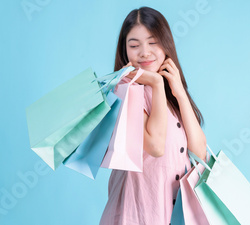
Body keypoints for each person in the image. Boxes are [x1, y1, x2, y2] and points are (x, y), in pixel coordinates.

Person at [99, 6, 208, 225]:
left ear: (166, 45)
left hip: (169, 215)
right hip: (135, 214)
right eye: (134, 45)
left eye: (153, 42)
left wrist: (179, 92)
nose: (144, 52)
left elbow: (199, 153)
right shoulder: (123, 90)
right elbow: (155, 147)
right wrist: (156, 82)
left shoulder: (171, 96)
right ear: (125, 51)